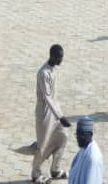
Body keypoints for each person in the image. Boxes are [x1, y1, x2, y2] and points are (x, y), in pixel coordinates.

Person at [30, 45, 72, 184]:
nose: (61, 60)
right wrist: (61, 117)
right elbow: (48, 98)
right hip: (45, 113)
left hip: (54, 111)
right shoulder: (43, 73)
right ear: (53, 56)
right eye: (59, 57)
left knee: (63, 137)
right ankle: (36, 173)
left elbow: (54, 98)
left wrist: (60, 114)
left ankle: (55, 169)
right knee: (44, 144)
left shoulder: (52, 70)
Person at [68, 117, 103, 184]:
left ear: (90, 134)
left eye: (82, 135)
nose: (78, 138)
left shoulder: (93, 158)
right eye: (77, 134)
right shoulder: (83, 148)